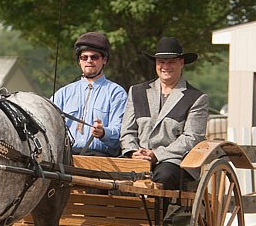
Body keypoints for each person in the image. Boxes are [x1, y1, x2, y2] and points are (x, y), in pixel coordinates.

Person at [120, 37, 208, 190]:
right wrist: (133, 152)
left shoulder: (196, 98)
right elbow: (127, 131)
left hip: (173, 161)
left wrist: (156, 155)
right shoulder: (137, 92)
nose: (165, 66)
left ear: (181, 63)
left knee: (163, 176)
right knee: (111, 175)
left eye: (171, 62)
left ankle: (158, 214)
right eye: (161, 61)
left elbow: (192, 138)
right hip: (138, 158)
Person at [53, 32, 127, 156]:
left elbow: (121, 132)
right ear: (79, 61)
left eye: (94, 57)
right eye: (84, 57)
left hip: (100, 158)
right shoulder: (63, 93)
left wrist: (103, 132)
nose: (89, 61)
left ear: (104, 60)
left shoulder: (116, 93)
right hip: (65, 157)